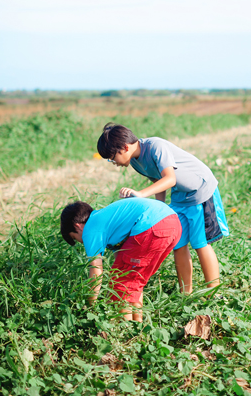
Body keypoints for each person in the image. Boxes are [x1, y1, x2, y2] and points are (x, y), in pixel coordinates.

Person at [97, 123, 229, 294]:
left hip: (201, 190)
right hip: (180, 197)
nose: (113, 162)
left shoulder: (155, 146)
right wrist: (160, 207)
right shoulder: (136, 162)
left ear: (124, 147)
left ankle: (213, 292)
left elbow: (169, 179)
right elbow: (156, 180)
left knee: (200, 243)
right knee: (178, 244)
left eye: (112, 157)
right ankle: (185, 294)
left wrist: (141, 194)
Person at [60, 198, 181, 321]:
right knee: (133, 280)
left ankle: (124, 329)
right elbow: (123, 265)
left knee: (119, 283)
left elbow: (96, 272)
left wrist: (90, 307)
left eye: (75, 238)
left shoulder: (90, 228)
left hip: (153, 225)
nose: (81, 242)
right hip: (172, 222)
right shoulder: (109, 220)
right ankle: (137, 325)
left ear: (78, 226)